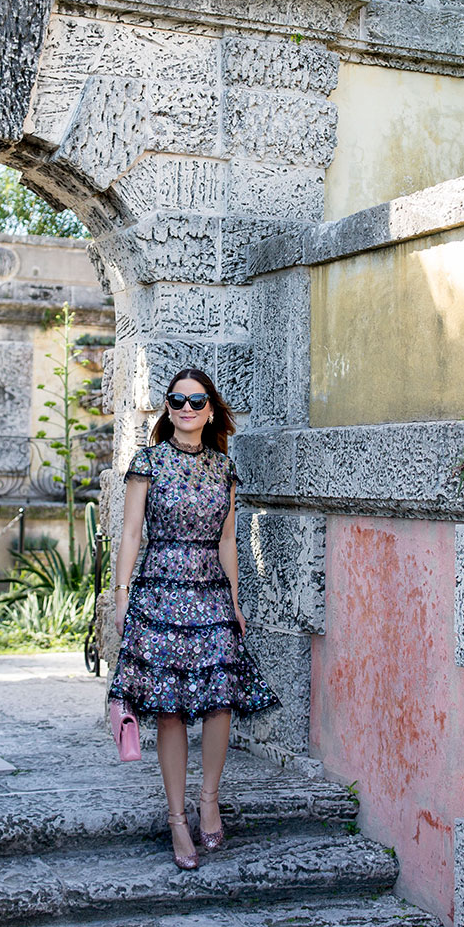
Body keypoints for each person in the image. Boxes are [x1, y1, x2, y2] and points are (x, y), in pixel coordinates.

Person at [108, 367, 280, 870]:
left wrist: (236, 600)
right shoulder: (147, 463)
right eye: (177, 400)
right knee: (169, 707)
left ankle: (209, 800)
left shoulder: (223, 468)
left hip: (209, 593)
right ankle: (177, 818)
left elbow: (229, 539)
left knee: (220, 701)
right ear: (167, 407)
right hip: (160, 592)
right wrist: (121, 596)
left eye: (196, 400)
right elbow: (131, 535)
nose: (186, 408)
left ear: (211, 409)